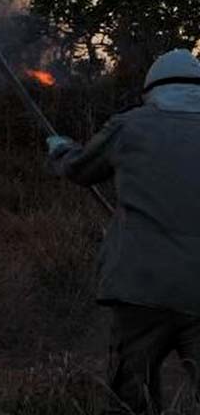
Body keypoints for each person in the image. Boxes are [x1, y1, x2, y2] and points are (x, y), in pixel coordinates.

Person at [48, 49, 200, 413]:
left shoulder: (128, 127)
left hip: (139, 287)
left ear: (152, 89)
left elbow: (80, 169)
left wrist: (60, 150)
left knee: (130, 399)